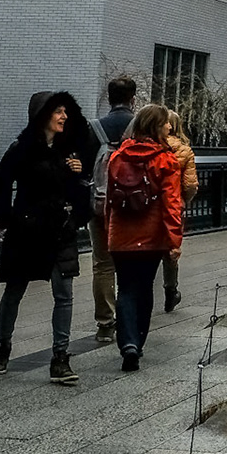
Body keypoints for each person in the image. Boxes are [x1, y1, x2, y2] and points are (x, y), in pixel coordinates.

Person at [0, 91, 92, 385]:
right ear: (43, 115)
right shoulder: (22, 149)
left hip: (61, 229)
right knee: (14, 290)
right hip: (27, 229)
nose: (64, 117)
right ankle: (3, 346)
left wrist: (79, 177)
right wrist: (6, 219)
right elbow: (2, 181)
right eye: (58, 111)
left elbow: (79, 189)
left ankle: (60, 357)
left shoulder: (70, 151)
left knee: (64, 293)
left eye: (65, 112)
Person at [99, 104, 185, 371]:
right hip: (151, 236)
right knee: (145, 287)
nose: (169, 127)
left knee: (125, 288)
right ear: (156, 126)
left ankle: (127, 343)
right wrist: (174, 241)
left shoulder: (118, 157)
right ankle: (137, 341)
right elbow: (172, 205)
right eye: (166, 123)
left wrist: (109, 230)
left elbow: (109, 200)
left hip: (121, 235)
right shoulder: (166, 160)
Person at [86, 76, 138, 345]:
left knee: (102, 264)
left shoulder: (94, 128)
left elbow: (84, 169)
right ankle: (130, 319)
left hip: (101, 205)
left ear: (109, 98)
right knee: (131, 264)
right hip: (134, 207)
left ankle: (105, 323)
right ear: (133, 99)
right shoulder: (141, 126)